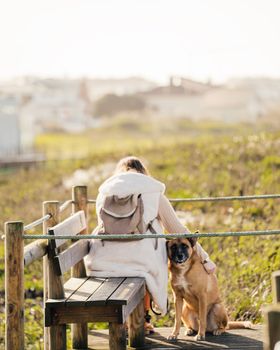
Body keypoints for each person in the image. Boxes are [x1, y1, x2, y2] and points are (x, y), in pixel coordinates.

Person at [85, 156, 215, 333]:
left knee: (137, 263)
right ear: (143, 173)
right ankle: (142, 321)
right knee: (146, 265)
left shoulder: (105, 194)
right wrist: (205, 258)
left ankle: (124, 322)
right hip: (140, 263)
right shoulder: (153, 193)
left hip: (103, 260)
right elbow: (179, 231)